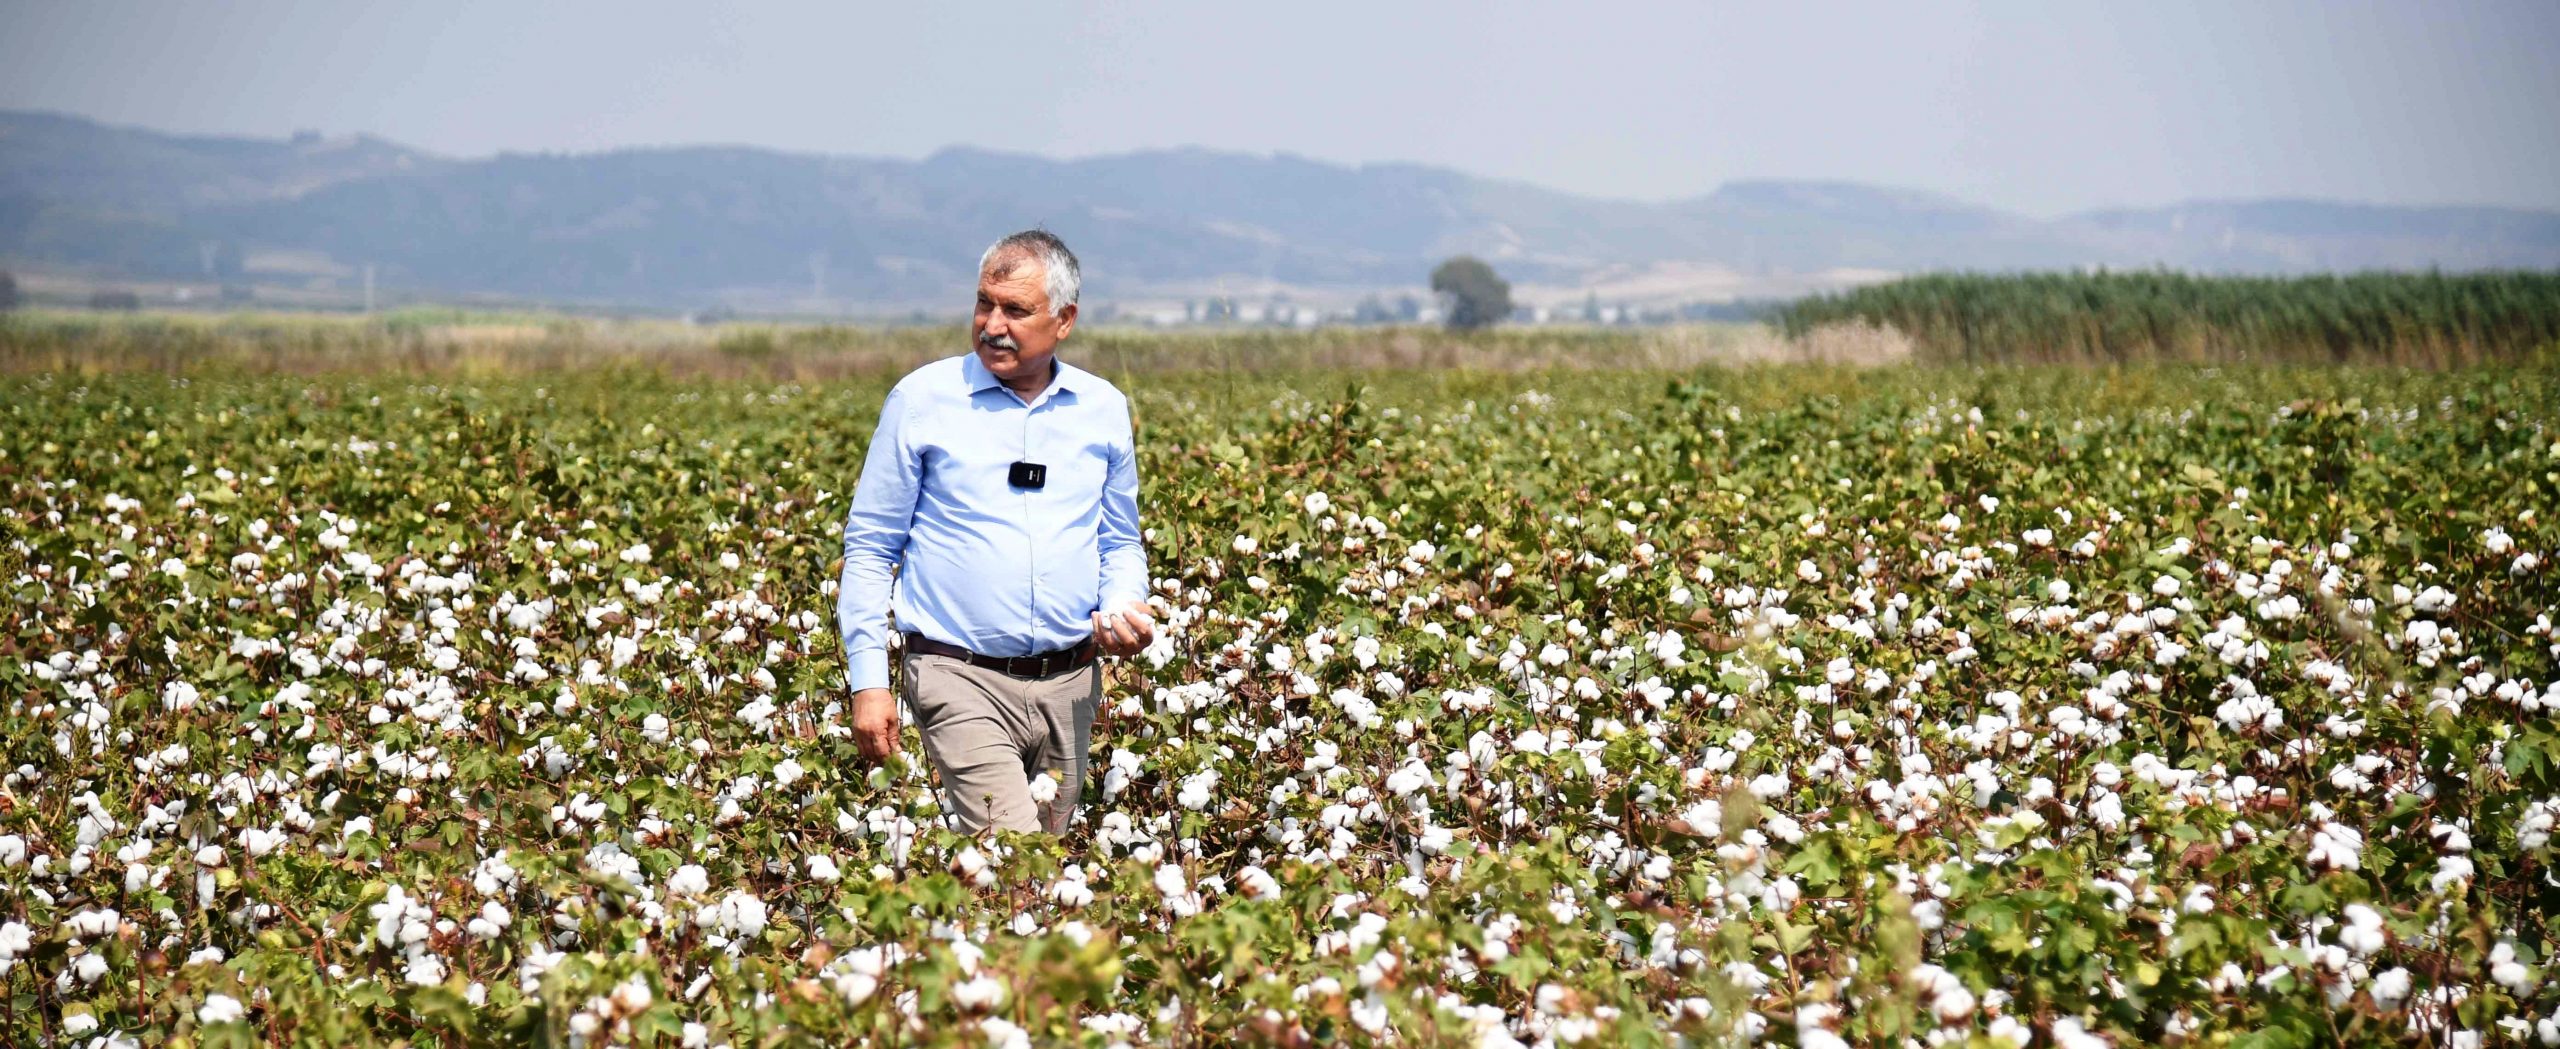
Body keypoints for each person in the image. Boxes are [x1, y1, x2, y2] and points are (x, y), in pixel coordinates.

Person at [837, 230, 1156, 834]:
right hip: (957, 676)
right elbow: (873, 547)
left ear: (1064, 320)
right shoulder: (923, 400)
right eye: (985, 303)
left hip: (1071, 683)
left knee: (1035, 877)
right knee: (1018, 860)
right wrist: (868, 682)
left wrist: (1121, 605)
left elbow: (1118, 541)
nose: (992, 324)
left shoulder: (1102, 408)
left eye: (1015, 310)